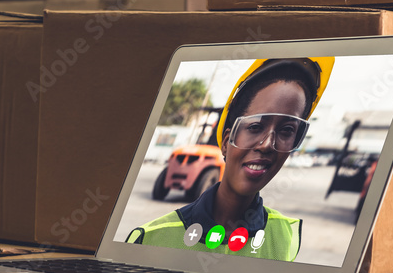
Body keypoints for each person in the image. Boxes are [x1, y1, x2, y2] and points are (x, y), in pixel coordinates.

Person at [126, 58, 333, 262]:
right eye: (255, 127)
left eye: (287, 130)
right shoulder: (150, 238)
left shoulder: (285, 236)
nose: (267, 144)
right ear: (226, 142)